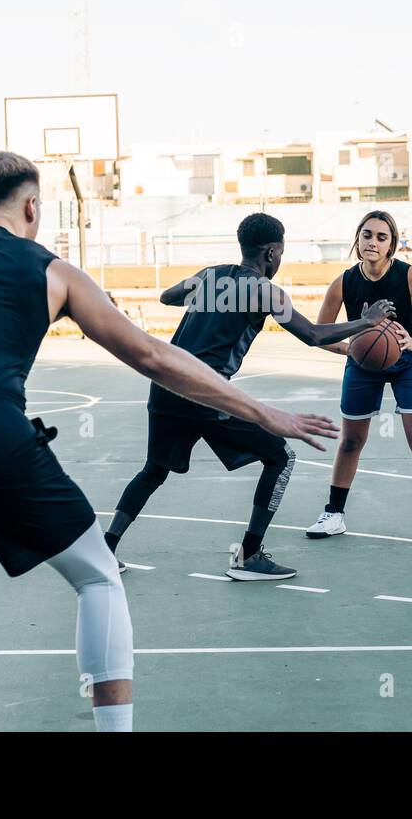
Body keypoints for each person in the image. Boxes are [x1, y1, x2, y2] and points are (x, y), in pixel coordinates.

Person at [0, 153, 338, 732]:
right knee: (97, 576)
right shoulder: (56, 274)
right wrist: (263, 413)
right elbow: (153, 356)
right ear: (33, 206)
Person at [104, 213, 396, 581]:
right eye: (282, 253)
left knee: (154, 471)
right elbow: (313, 334)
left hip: (165, 385)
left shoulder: (210, 276)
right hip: (205, 393)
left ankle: (105, 549)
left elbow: (167, 296)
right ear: (272, 252)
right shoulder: (265, 291)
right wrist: (366, 322)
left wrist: (205, 298)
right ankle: (249, 554)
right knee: (281, 458)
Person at [304, 209, 412, 549]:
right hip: (364, 363)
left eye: (381, 237)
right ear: (357, 240)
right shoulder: (344, 282)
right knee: (351, 441)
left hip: (409, 361)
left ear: (392, 244)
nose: (373, 242)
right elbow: (320, 334)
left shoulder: (409, 277)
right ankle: (334, 514)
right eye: (367, 235)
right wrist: (351, 350)